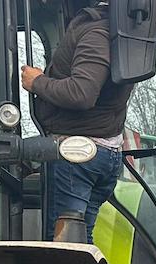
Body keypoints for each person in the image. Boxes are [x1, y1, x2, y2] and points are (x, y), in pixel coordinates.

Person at [21, 1, 132, 243]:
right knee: (79, 242)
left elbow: (82, 92)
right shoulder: (117, 30)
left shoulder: (95, 31)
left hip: (77, 154)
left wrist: (37, 82)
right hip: (100, 150)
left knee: (64, 248)